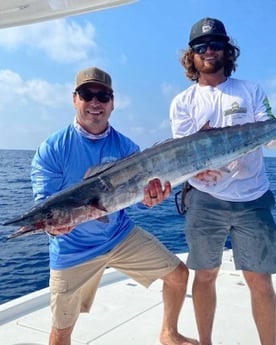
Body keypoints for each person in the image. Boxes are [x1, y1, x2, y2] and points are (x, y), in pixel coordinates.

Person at [31, 67, 198, 345]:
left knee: (178, 274)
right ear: (75, 99)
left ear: (112, 102)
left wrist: (151, 200)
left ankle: (169, 333)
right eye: (87, 95)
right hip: (72, 249)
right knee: (62, 329)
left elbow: (140, 203)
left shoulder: (127, 148)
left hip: (119, 235)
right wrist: (54, 229)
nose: (95, 102)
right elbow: (46, 205)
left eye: (103, 96)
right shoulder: (52, 149)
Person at [169, 17, 276, 345]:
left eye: (216, 45)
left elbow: (270, 135)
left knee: (260, 281)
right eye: (201, 47)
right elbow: (184, 155)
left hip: (252, 198)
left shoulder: (250, 90)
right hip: (204, 201)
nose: (209, 51)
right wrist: (198, 171)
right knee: (205, 275)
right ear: (191, 55)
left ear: (227, 50)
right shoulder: (182, 103)